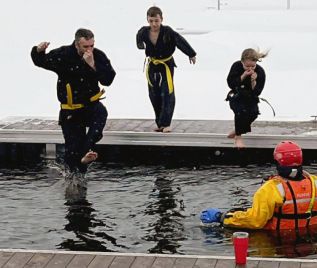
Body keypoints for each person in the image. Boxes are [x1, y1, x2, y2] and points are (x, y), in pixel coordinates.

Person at [31, 28, 116, 175]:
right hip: (70, 109)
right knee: (72, 150)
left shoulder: (97, 55)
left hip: (91, 105)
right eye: (85, 47)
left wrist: (93, 65)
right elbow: (40, 61)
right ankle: (74, 176)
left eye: (92, 45)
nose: (89, 49)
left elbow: (108, 79)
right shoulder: (64, 55)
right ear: (77, 44)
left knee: (100, 116)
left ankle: (85, 153)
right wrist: (38, 51)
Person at [200, 140, 317, 230]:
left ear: (277, 162)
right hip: (309, 238)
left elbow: (255, 221)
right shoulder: (314, 182)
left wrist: (222, 217)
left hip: (276, 241)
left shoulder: (270, 189)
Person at [136, 6, 197, 133]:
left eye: (156, 21)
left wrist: (191, 53)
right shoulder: (143, 31)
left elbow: (180, 41)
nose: (154, 24)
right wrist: (140, 45)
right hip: (152, 64)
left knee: (167, 92)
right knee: (153, 93)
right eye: (151, 20)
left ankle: (166, 123)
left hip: (166, 64)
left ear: (161, 19)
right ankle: (160, 123)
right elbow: (138, 39)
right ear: (147, 20)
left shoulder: (168, 31)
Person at [226, 48, 268, 148]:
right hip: (237, 95)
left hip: (250, 97)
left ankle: (237, 130)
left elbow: (257, 92)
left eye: (253, 66)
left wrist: (254, 82)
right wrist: (243, 75)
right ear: (242, 62)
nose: (250, 69)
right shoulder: (236, 66)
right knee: (241, 111)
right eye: (247, 66)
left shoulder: (260, 71)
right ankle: (238, 137)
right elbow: (231, 83)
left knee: (253, 114)